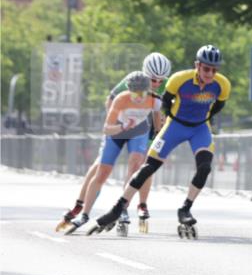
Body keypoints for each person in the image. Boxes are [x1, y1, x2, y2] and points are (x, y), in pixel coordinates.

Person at [90, 45, 230, 237]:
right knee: (148, 168)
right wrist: (162, 125)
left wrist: (203, 119)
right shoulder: (179, 79)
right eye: (206, 68)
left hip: (199, 129)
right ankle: (117, 209)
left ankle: (185, 208)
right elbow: (164, 104)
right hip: (175, 127)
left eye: (214, 70)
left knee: (205, 167)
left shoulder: (222, 84)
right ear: (197, 65)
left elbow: (218, 107)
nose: (210, 73)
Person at [58, 52, 171, 233]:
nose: (157, 84)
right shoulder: (133, 80)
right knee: (100, 166)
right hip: (121, 122)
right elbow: (110, 100)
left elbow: (164, 110)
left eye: (160, 80)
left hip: (145, 123)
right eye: (153, 80)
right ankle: (80, 205)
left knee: (142, 164)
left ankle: (136, 205)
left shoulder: (166, 85)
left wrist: (160, 129)